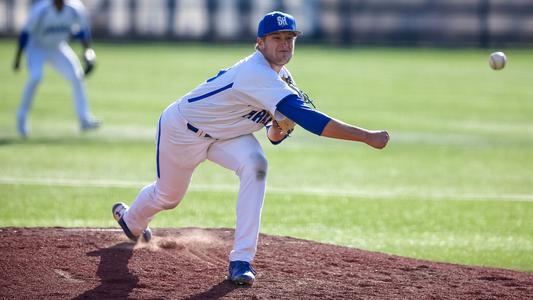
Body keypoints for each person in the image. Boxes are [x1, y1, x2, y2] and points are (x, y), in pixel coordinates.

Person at [112, 11, 390, 286]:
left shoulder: (282, 78)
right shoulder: (256, 73)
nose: (284, 44)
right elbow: (311, 122)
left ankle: (241, 260)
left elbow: (273, 135)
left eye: (289, 38)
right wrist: (366, 136)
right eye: (276, 38)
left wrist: (280, 129)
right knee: (168, 197)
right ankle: (131, 221)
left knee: (256, 165)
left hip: (228, 135)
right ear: (259, 43)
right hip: (184, 130)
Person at [13, 0, 100, 138]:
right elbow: (25, 33)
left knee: (77, 77)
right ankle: (21, 118)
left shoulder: (75, 8)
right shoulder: (41, 9)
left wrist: (88, 52)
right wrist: (18, 59)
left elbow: (83, 30)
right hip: (36, 47)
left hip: (58, 47)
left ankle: (85, 119)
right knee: (36, 77)